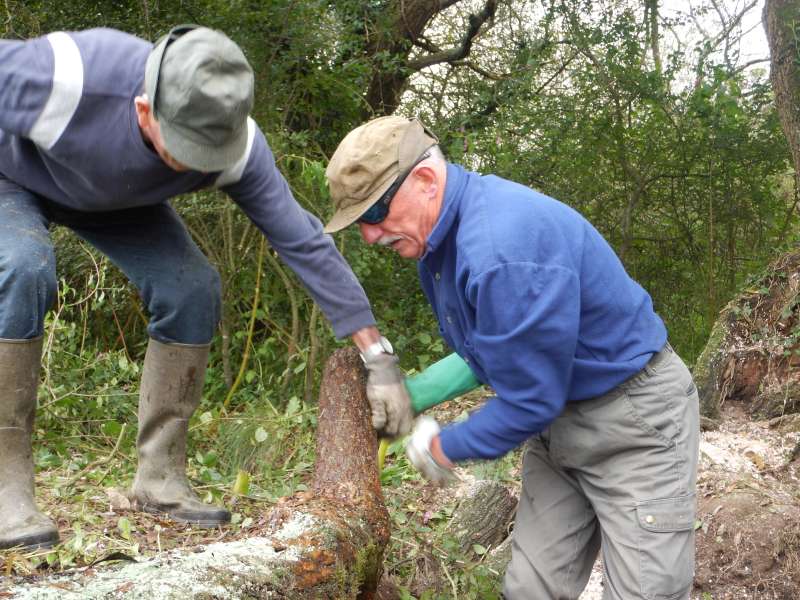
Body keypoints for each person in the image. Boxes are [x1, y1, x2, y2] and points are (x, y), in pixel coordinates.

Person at [0, 26, 414, 551]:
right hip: (11, 178)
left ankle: (159, 478)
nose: (201, 164)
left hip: (115, 203)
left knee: (192, 287)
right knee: (25, 267)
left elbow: (303, 242)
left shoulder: (236, 144)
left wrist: (378, 357)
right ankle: (5, 488)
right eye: (189, 149)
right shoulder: (67, 77)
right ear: (146, 111)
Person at [324, 116, 700, 600]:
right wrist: (415, 392)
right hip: (559, 425)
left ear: (423, 180)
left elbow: (529, 400)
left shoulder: (501, 248)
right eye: (360, 223)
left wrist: (443, 447)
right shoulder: (440, 248)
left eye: (375, 212)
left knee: (647, 592)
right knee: (530, 588)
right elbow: (491, 346)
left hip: (635, 425)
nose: (370, 235)